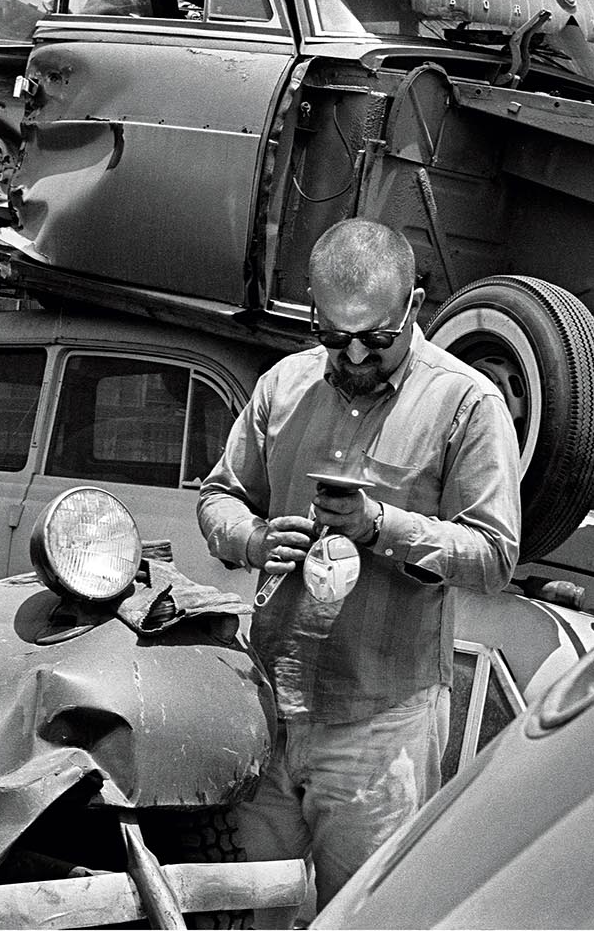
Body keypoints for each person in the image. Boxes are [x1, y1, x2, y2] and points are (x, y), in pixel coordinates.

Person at [197, 218, 521, 912]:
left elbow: (495, 556)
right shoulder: (284, 387)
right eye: (333, 336)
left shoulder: (466, 404)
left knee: (369, 918)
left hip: (383, 727)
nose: (353, 355)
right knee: (259, 912)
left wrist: (383, 526)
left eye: (375, 338)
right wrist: (254, 539)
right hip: (268, 716)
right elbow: (220, 497)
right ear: (313, 313)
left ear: (416, 305)